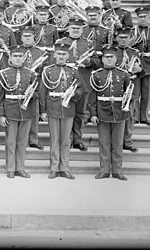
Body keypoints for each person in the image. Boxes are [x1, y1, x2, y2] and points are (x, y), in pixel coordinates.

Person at [56, 17, 101, 152]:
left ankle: (77, 139)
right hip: (65, 82)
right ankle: (66, 139)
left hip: (83, 82)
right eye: (73, 28)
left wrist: (88, 62)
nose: (75, 30)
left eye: (78, 28)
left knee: (80, 113)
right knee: (66, 112)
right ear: (68, 29)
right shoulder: (61, 42)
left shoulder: (89, 44)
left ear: (82, 29)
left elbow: (97, 62)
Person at [39, 43, 82, 179]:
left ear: (68, 56)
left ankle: (64, 168)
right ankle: (54, 168)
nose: (61, 56)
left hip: (68, 108)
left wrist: (74, 94)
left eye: (64, 54)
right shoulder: (48, 71)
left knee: (66, 140)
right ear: (54, 55)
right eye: (59, 54)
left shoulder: (73, 71)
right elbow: (42, 92)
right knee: (54, 140)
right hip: (53, 108)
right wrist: (43, 111)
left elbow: (80, 89)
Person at [87, 46, 131, 180]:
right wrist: (93, 113)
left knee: (117, 143)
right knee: (104, 143)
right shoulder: (96, 75)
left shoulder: (124, 74)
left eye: (112, 57)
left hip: (119, 112)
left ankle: (117, 171)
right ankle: (104, 170)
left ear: (116, 58)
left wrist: (127, 105)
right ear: (102, 59)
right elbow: (92, 96)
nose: (109, 59)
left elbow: (130, 93)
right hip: (102, 112)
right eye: (106, 57)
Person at [0, 45, 39, 179]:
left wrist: (32, 94)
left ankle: (20, 168)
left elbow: (37, 93)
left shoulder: (31, 73)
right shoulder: (3, 73)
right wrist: (1, 114)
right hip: (10, 110)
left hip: (26, 112)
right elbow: (0, 96)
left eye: (20, 56)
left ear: (24, 58)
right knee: (10, 141)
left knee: (22, 141)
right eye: (15, 56)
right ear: (10, 57)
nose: (18, 59)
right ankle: (10, 168)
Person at [20, 26, 49, 150]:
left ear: (34, 37)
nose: (27, 38)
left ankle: (33, 139)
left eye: (29, 36)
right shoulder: (16, 51)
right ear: (21, 38)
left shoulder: (41, 52)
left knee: (34, 112)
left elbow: (45, 69)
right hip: (19, 83)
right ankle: (20, 138)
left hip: (35, 82)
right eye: (25, 36)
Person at [114, 27, 142, 153]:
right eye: (120, 37)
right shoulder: (111, 51)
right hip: (115, 87)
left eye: (126, 37)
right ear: (116, 38)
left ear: (130, 39)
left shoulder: (135, 52)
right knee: (115, 115)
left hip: (130, 86)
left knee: (129, 115)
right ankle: (116, 142)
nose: (123, 40)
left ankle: (127, 141)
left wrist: (139, 69)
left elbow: (143, 70)